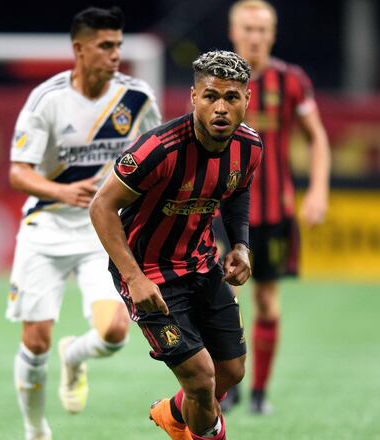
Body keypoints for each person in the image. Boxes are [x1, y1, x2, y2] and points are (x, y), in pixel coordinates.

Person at [5, 6, 161, 440]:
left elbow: (157, 159)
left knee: (114, 332)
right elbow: (18, 172)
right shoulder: (47, 99)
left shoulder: (137, 98)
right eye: (105, 46)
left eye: (118, 45)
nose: (115, 54)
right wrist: (62, 192)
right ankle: (36, 431)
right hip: (47, 228)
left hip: (103, 232)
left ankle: (74, 355)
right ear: (79, 49)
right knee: (36, 340)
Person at [90, 50, 261, 440]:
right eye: (210, 96)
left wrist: (240, 245)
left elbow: (237, 190)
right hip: (150, 275)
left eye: (231, 97)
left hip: (202, 264)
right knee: (201, 378)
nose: (221, 108)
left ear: (247, 99)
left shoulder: (249, 146)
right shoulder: (158, 149)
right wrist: (135, 279)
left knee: (231, 371)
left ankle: (171, 413)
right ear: (194, 97)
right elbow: (101, 207)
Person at [219, 0, 331, 415]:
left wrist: (318, 190)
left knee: (266, 300)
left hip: (274, 213)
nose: (255, 37)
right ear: (233, 33)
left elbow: (317, 137)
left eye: (262, 29)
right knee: (222, 297)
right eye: (248, 29)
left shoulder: (291, 81)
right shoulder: (216, 80)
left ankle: (259, 393)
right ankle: (228, 386)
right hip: (222, 210)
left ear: (273, 34)